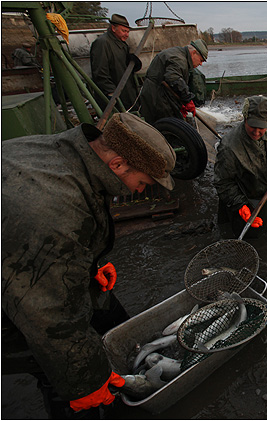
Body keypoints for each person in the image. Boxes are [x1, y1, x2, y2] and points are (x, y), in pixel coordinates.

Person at [2, 112, 176, 418]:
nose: (141, 190)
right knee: (59, 375)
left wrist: (89, 260)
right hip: (18, 299)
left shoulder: (64, 150)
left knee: (107, 319)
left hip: (24, 259)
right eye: (143, 182)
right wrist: (84, 381)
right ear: (118, 164)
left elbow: (52, 242)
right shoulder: (52, 210)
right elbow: (49, 317)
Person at [214, 96, 267, 238]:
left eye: (261, 127)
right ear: (245, 118)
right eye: (252, 126)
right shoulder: (229, 147)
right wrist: (240, 205)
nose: (256, 132)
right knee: (242, 234)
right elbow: (222, 182)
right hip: (242, 198)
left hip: (265, 192)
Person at [139, 39, 208, 125]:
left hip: (160, 93)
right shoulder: (179, 59)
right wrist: (188, 100)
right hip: (156, 98)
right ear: (194, 53)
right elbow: (173, 78)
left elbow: (171, 84)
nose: (201, 64)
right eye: (201, 60)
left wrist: (180, 104)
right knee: (169, 127)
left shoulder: (180, 53)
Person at [90, 13, 140, 110]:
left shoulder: (122, 44)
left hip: (126, 92)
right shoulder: (103, 43)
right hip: (114, 96)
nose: (127, 34)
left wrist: (135, 64)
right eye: (124, 31)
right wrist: (111, 93)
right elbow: (100, 72)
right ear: (113, 28)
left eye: (128, 32)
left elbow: (123, 67)